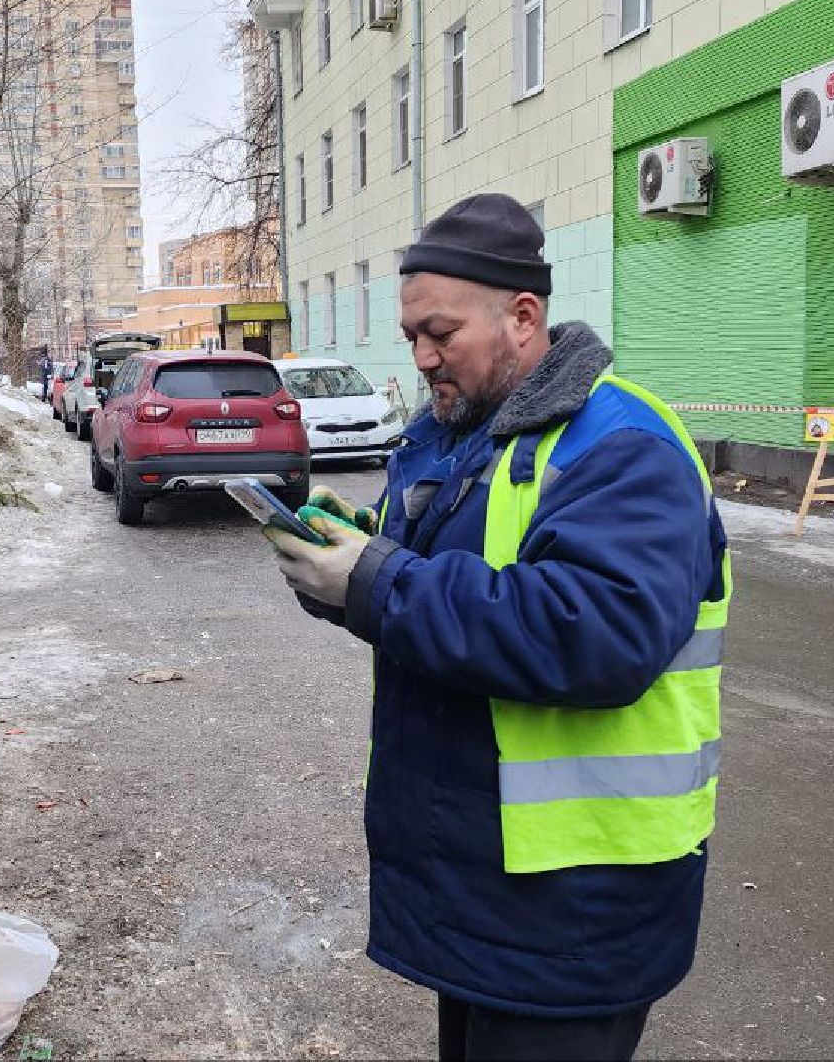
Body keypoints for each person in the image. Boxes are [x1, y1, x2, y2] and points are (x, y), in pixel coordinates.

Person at [264, 194, 730, 1062]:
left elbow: (595, 634)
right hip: (478, 887)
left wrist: (375, 581)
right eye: (410, 335)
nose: (422, 355)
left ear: (522, 317)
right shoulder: (451, 436)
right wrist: (348, 559)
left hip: (580, 905)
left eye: (439, 331)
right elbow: (444, 590)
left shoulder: (621, 444)